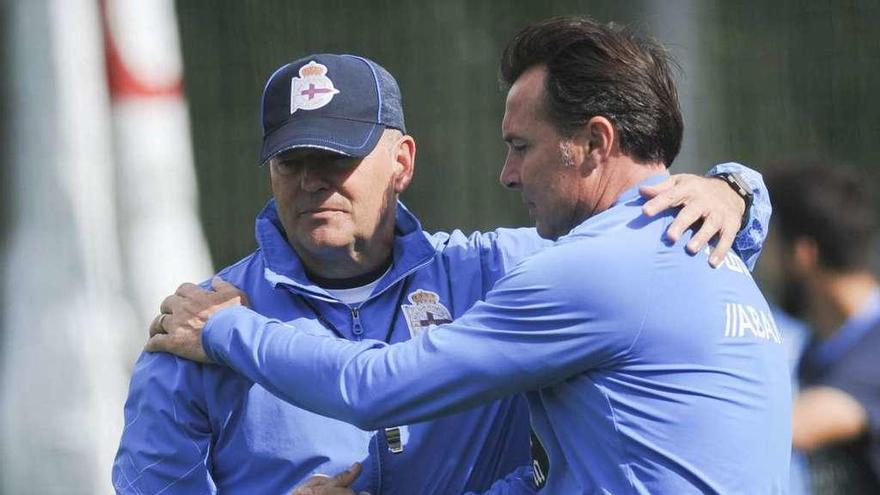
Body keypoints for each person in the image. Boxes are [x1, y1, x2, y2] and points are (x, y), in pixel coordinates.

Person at [146, 18, 789, 494]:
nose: (505, 174)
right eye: (293, 160)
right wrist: (736, 191)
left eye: (520, 146)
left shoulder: (548, 271)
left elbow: (374, 389)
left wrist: (226, 330)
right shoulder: (698, 245)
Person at [767, 163, 880, 494]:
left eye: (769, 245)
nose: (765, 265)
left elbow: (785, 430)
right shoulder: (820, 348)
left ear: (803, 254)